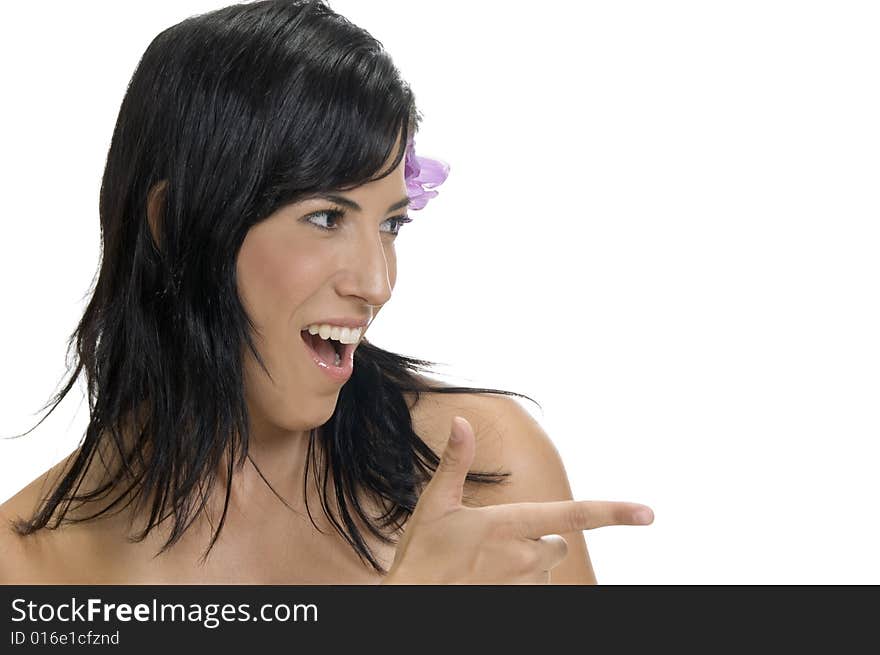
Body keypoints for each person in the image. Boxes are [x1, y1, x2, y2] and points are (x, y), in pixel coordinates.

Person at [0, 0, 653, 585]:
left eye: (391, 223)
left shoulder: (485, 475)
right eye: (326, 217)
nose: (377, 283)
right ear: (175, 223)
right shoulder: (22, 569)